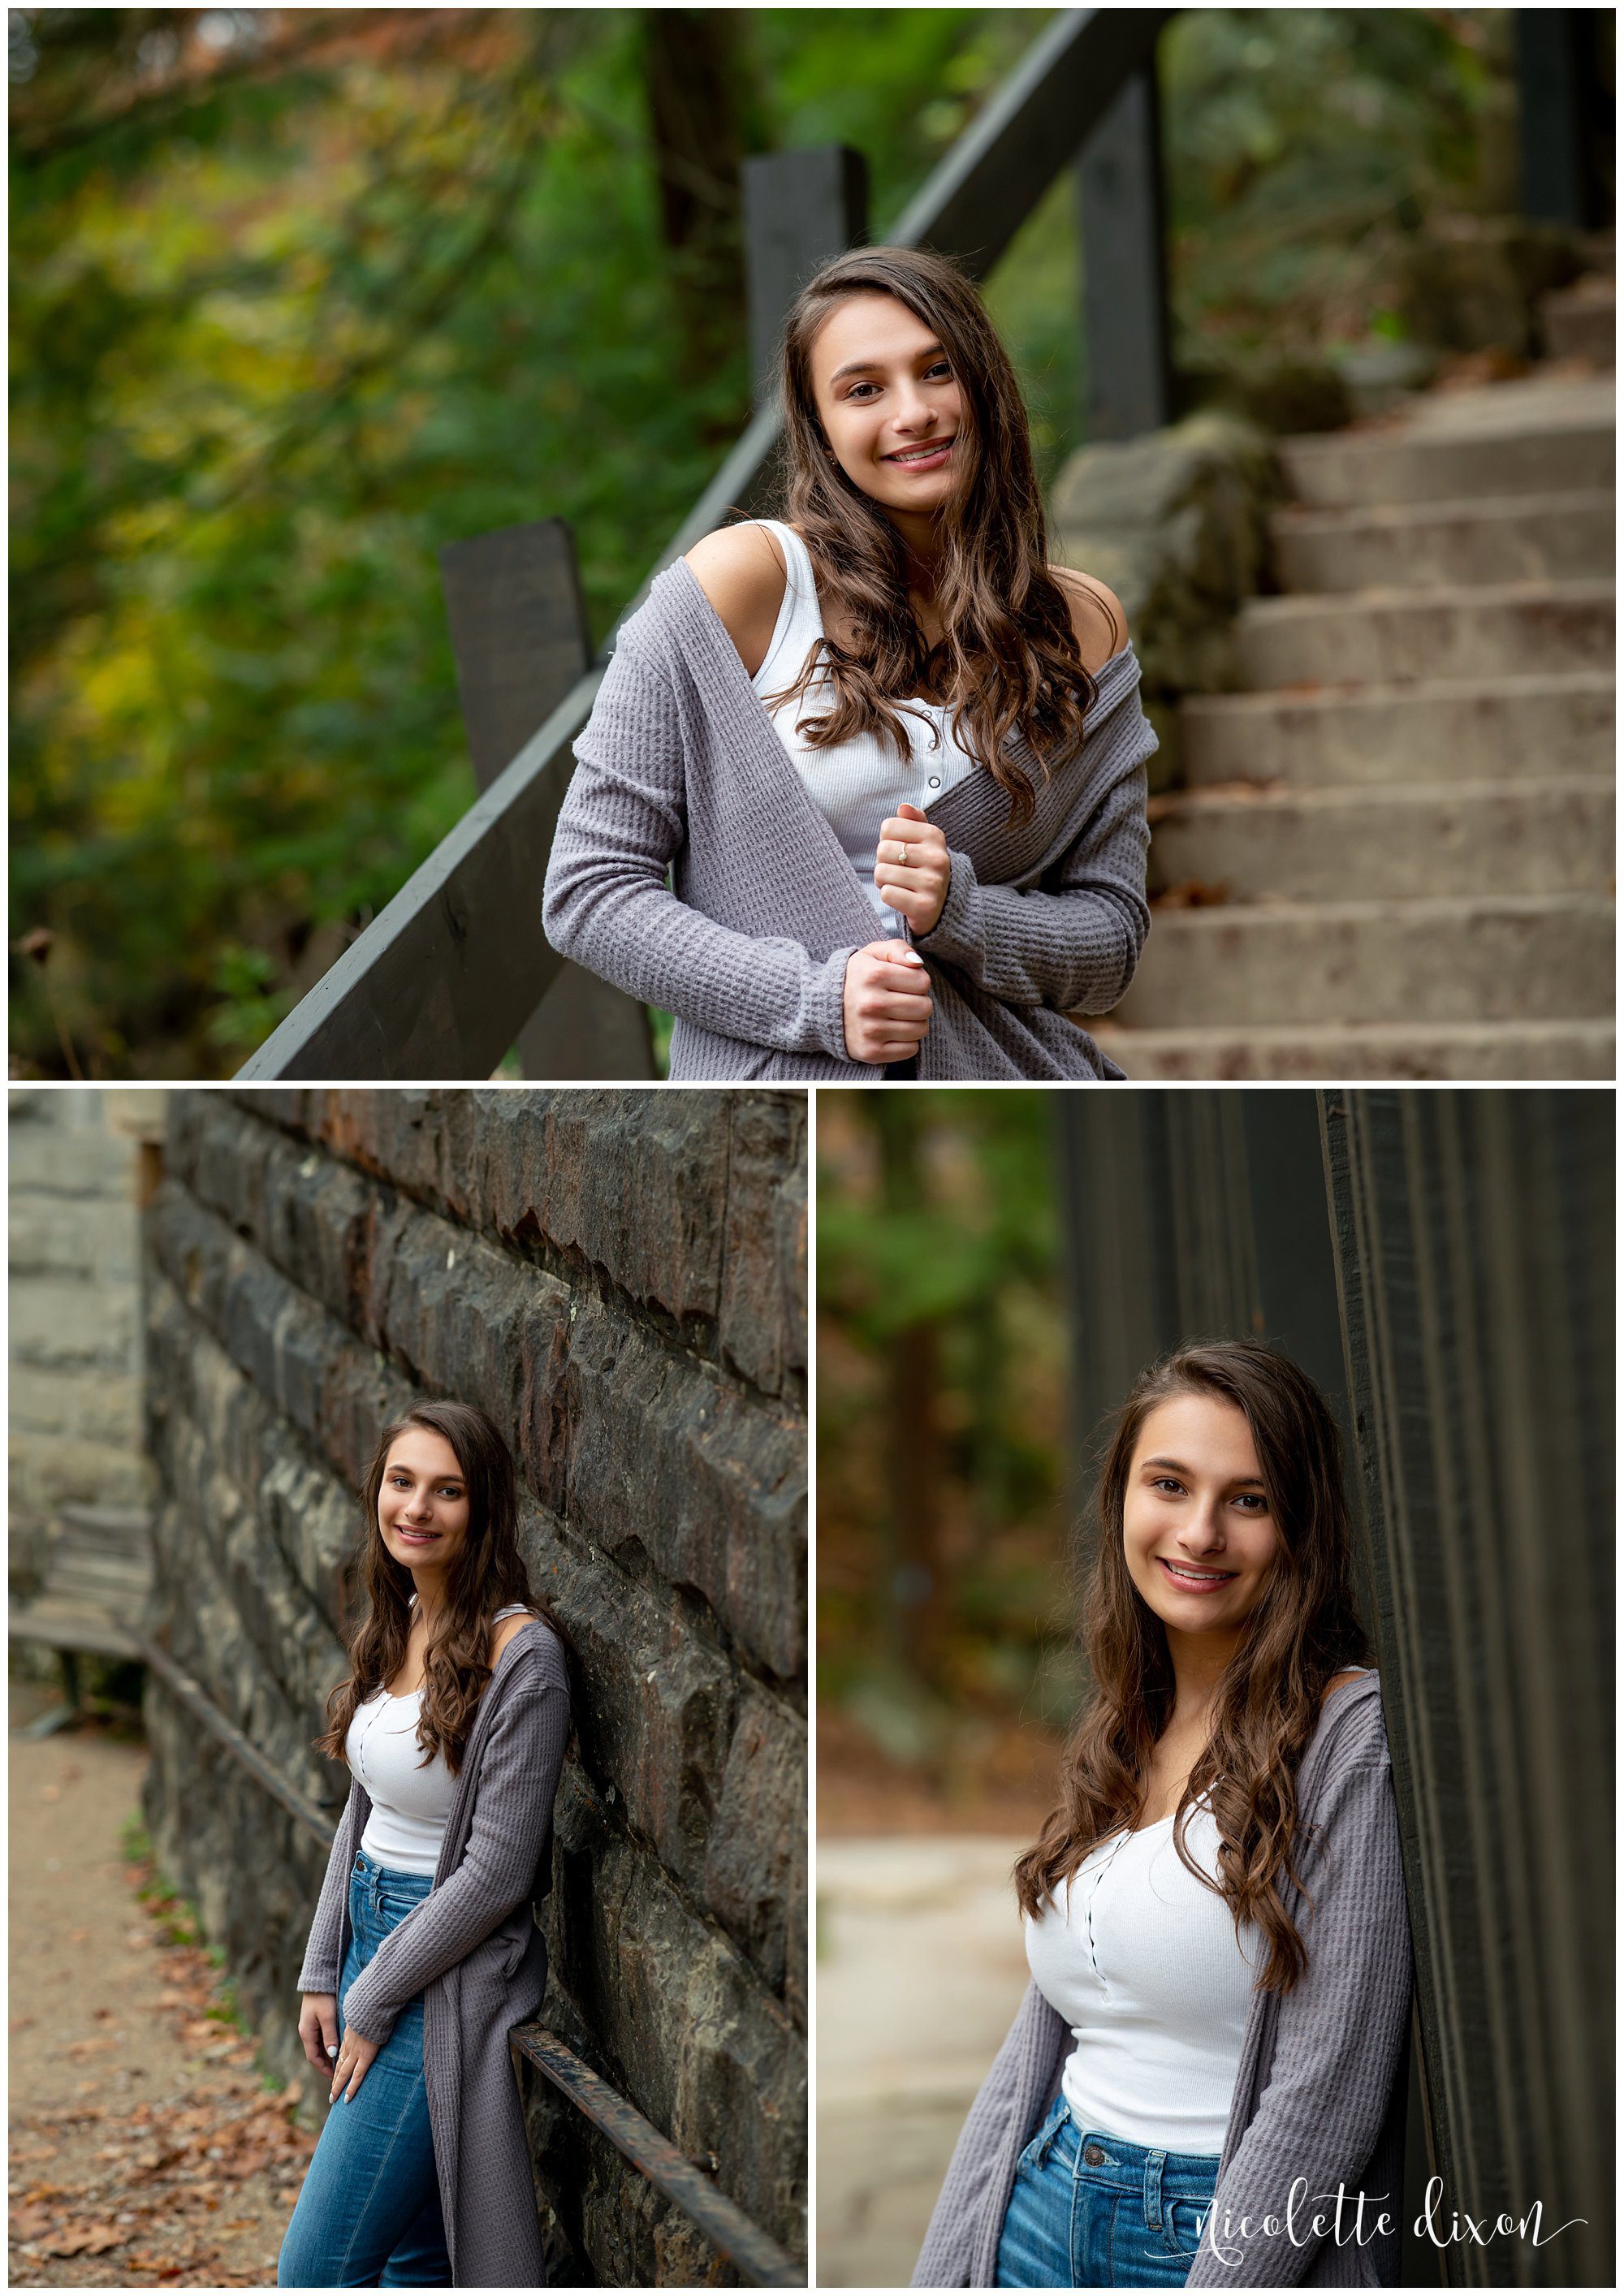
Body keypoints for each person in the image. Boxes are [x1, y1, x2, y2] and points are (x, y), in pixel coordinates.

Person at [543, 244, 1155, 1081]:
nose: (913, 413)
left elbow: (1112, 942)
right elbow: (589, 892)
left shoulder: (1082, 625)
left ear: (984, 385)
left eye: (937, 371)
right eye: (863, 389)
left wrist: (962, 911)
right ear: (820, 428)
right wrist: (818, 999)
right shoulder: (739, 589)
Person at [914, 1342, 1413, 2290]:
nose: (1199, 1531)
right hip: (1041, 2204)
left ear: (1299, 1528)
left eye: (1248, 1499)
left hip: (1206, 2239)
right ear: (1121, 1500)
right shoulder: (1125, 1720)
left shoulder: (1345, 1738)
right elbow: (1049, 2031)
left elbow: (1326, 2093)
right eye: (1169, 1484)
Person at [278, 1399, 570, 2288]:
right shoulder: (400, 1612)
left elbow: (494, 1875)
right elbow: (363, 1807)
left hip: (443, 1973)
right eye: (402, 1481)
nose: (417, 1507)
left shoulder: (525, 1662)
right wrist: (325, 1963)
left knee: (315, 2268)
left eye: (447, 1490)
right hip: (371, 1938)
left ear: (482, 1510)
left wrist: (373, 1993)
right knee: (415, 2251)